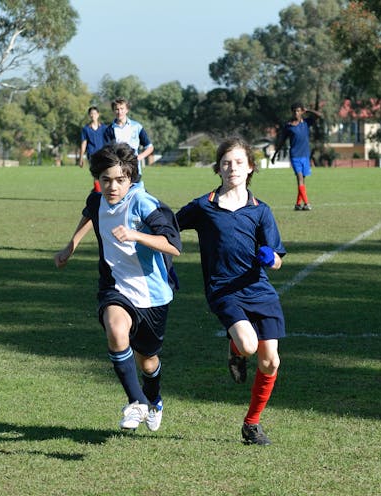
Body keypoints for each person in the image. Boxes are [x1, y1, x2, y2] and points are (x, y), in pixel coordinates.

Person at [54, 142, 181, 432]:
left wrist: (136, 235)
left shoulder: (144, 203)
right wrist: (70, 247)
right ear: (97, 180)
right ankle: (136, 401)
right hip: (115, 286)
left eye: (120, 180)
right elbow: (90, 213)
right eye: (106, 180)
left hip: (153, 295)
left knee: (147, 362)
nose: (112, 187)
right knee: (115, 328)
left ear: (131, 179)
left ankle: (154, 399)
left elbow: (173, 246)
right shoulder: (98, 198)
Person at [176, 135, 286, 446]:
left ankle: (251, 424)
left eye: (239, 162)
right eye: (226, 163)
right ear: (218, 169)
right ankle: (236, 350)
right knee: (250, 345)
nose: (232, 167)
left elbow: (277, 259)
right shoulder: (203, 206)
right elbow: (169, 226)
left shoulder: (260, 210)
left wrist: (270, 257)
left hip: (259, 290)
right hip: (223, 290)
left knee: (271, 362)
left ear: (250, 167)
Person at [271, 102, 322, 210]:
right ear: (292, 112)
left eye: (298, 111)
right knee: (299, 178)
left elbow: (319, 115)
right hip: (295, 156)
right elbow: (282, 141)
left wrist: (308, 110)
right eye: (294, 111)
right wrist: (275, 154)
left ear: (301, 112)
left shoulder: (306, 123)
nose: (296, 113)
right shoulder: (288, 126)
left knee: (302, 181)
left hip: (305, 156)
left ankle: (298, 204)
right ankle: (307, 203)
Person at [104, 97, 154, 176]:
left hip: (134, 170)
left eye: (122, 108)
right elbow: (107, 150)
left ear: (127, 109)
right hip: (118, 172)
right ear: (113, 111)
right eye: (117, 109)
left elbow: (150, 147)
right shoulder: (109, 130)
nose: (119, 112)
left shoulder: (137, 126)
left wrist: (138, 158)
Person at [79, 106, 107, 192]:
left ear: (98, 115)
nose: (93, 115)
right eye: (91, 114)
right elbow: (84, 143)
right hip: (92, 155)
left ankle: (97, 190)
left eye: (94, 113)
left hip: (103, 155)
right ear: (89, 115)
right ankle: (98, 193)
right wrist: (81, 157)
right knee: (96, 175)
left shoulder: (104, 128)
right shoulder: (86, 129)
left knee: (104, 174)